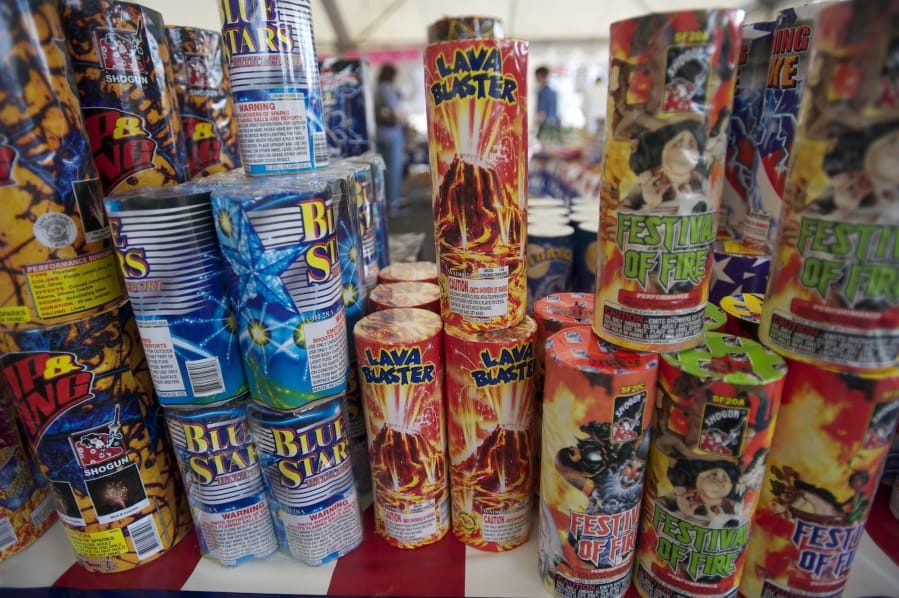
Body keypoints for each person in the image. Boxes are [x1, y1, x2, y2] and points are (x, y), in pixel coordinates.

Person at [374, 64, 406, 214]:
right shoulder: (387, 88)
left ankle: (385, 201)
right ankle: (392, 202)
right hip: (391, 133)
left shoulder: (377, 88)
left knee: (384, 169)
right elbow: (396, 110)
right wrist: (407, 121)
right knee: (393, 168)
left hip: (379, 133)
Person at [535, 66, 560, 142]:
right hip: (554, 122)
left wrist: (536, 123)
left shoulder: (543, 91)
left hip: (545, 124)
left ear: (540, 75)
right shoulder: (552, 90)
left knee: (543, 144)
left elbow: (541, 111)